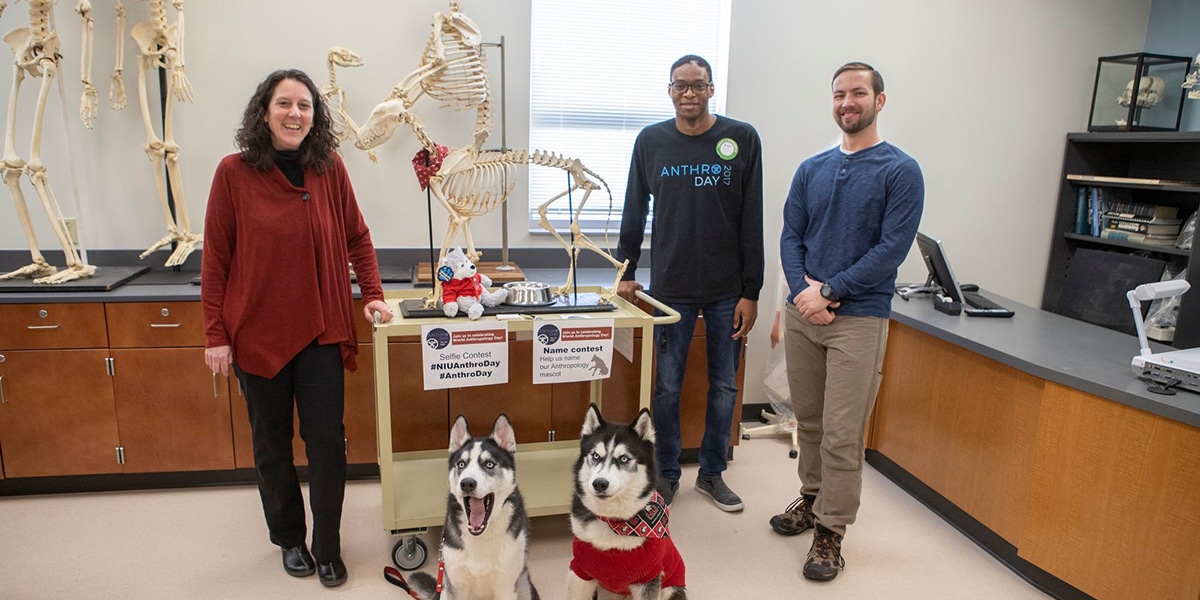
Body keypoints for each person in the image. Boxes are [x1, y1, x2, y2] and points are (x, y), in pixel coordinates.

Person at [201, 69, 394, 588]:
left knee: (328, 444)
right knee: (271, 445)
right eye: (284, 103)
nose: (295, 114)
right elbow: (216, 260)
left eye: (305, 105)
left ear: (316, 115)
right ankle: (290, 538)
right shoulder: (233, 173)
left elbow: (358, 238)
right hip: (258, 337)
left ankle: (327, 547)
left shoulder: (329, 168)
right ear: (264, 112)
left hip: (322, 332)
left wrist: (372, 295)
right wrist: (216, 334)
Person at [771, 62, 924, 582]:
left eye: (858, 92)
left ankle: (831, 532)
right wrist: (801, 293)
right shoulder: (811, 168)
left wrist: (829, 291)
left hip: (857, 318)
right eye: (839, 93)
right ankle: (811, 501)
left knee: (841, 432)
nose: (847, 102)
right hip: (803, 314)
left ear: (880, 101)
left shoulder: (900, 171)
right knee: (808, 423)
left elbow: (891, 251)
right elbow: (790, 237)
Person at [616, 54, 764, 513]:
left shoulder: (740, 139)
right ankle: (667, 476)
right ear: (670, 91)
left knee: (723, 386)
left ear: (711, 89)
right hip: (670, 287)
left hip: (726, 290)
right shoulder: (652, 141)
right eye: (681, 86)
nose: (689, 94)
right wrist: (627, 271)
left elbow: (751, 217)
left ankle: (713, 473)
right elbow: (634, 208)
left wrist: (751, 291)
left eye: (698, 86)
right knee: (666, 388)